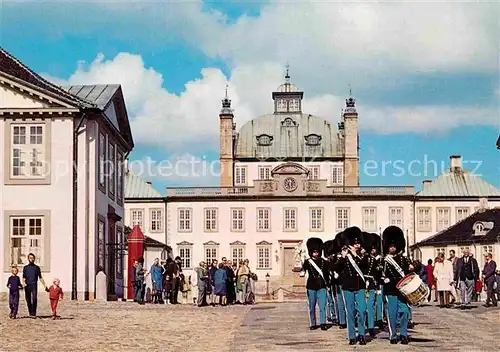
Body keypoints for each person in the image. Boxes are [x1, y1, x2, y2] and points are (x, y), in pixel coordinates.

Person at [381, 226, 413, 345]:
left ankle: (403, 334)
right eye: (390, 246)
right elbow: (379, 274)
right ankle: (393, 335)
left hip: (402, 290)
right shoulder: (384, 261)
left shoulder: (403, 260)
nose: (392, 248)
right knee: (392, 314)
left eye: (394, 246)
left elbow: (411, 272)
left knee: (404, 312)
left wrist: (412, 268)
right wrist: (383, 280)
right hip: (390, 290)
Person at [336, 227, 368, 345]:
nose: (357, 245)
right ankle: (352, 336)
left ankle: (361, 334)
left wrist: (355, 255)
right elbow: (336, 268)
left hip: (360, 287)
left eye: (358, 243)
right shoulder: (344, 256)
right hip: (348, 287)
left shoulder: (364, 255)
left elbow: (365, 266)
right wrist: (343, 258)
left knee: (362, 311)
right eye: (354, 243)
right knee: (350, 311)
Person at [301, 237, 329, 332]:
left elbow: (327, 273)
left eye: (317, 252)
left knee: (322, 306)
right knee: (312, 306)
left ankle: (323, 323)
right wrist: (302, 271)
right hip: (311, 286)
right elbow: (302, 270)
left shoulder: (324, 262)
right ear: (311, 252)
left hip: (322, 286)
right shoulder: (308, 262)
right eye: (314, 252)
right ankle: (312, 323)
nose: (316, 253)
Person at [362, 233, 383, 337]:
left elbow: (377, 274)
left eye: (375, 248)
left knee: (371, 306)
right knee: (364, 307)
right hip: (364, 284)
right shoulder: (364, 258)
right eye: (373, 248)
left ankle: (370, 326)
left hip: (372, 285)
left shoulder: (376, 259)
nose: (374, 250)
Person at [22, 253, 47, 318]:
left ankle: (34, 313)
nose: (32, 259)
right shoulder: (25, 268)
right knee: (28, 299)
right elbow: (24, 277)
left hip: (34, 285)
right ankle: (30, 312)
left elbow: (40, 277)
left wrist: (45, 285)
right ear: (28, 259)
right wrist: (23, 283)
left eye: (33, 258)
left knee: (34, 298)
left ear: (34, 259)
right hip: (27, 285)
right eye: (30, 258)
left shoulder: (37, 268)